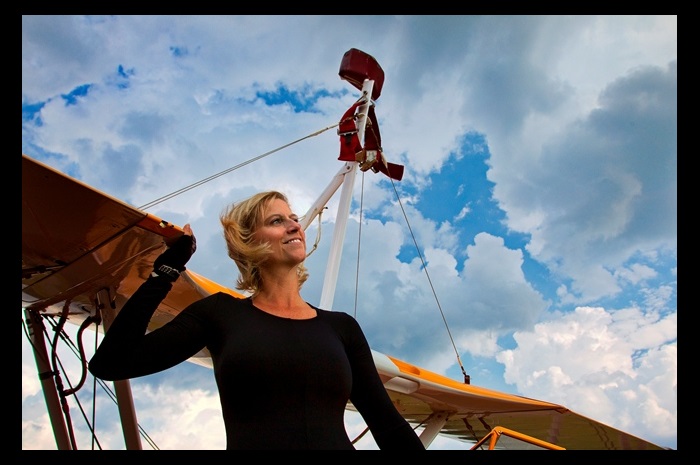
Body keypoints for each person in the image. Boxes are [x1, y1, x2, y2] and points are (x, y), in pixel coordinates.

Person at [88, 190, 426, 450]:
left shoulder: (341, 327)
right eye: (277, 221)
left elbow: (389, 427)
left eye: (293, 218)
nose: (295, 225)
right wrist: (166, 271)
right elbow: (112, 363)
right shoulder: (219, 314)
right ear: (247, 241)